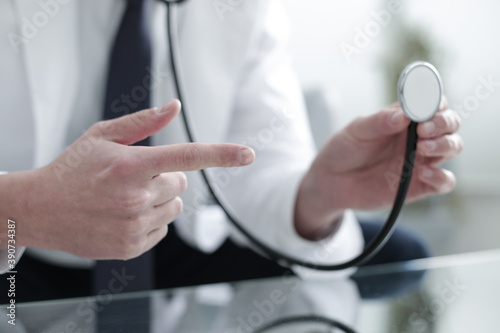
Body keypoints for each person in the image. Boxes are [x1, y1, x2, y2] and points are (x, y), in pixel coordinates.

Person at [0, 1, 462, 304]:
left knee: (398, 253)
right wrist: (25, 208)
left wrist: (319, 195)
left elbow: (265, 165)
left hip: (170, 239)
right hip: (23, 250)